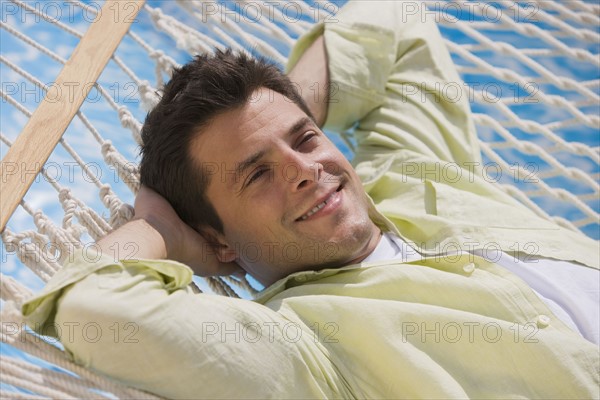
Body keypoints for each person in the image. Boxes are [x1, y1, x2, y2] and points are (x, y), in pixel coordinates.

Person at [22, 1, 599, 399]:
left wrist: (286, 106)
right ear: (217, 238)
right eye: (256, 175)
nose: (306, 171)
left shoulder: (416, 176)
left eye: (305, 139)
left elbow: (393, 22)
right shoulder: (303, 345)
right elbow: (94, 312)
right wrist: (161, 234)